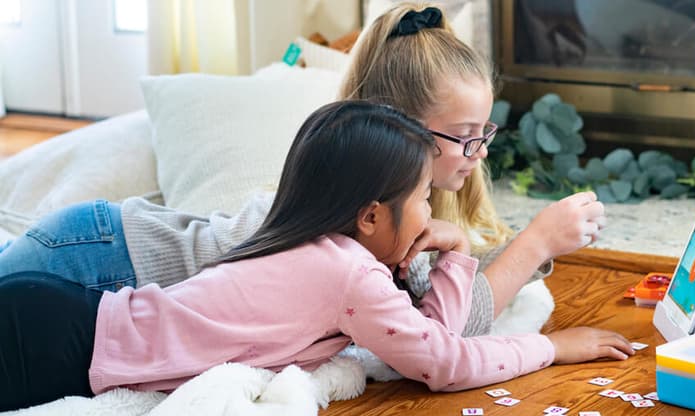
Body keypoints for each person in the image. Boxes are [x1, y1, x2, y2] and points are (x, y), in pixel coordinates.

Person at [0, 4, 604, 336]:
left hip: (104, 269)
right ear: (399, 133)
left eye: (485, 133)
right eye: (466, 138)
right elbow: (455, 331)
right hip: (100, 261)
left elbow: (439, 320)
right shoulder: (344, 212)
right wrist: (538, 241)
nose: (480, 155)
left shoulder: (396, 215)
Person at [0, 100, 633, 413]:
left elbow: (428, 341)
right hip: (57, 335)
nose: (431, 213)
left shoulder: (327, 249)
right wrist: (552, 347)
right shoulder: (348, 272)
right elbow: (442, 361)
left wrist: (460, 251)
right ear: (370, 216)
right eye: (421, 198)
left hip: (63, 318)